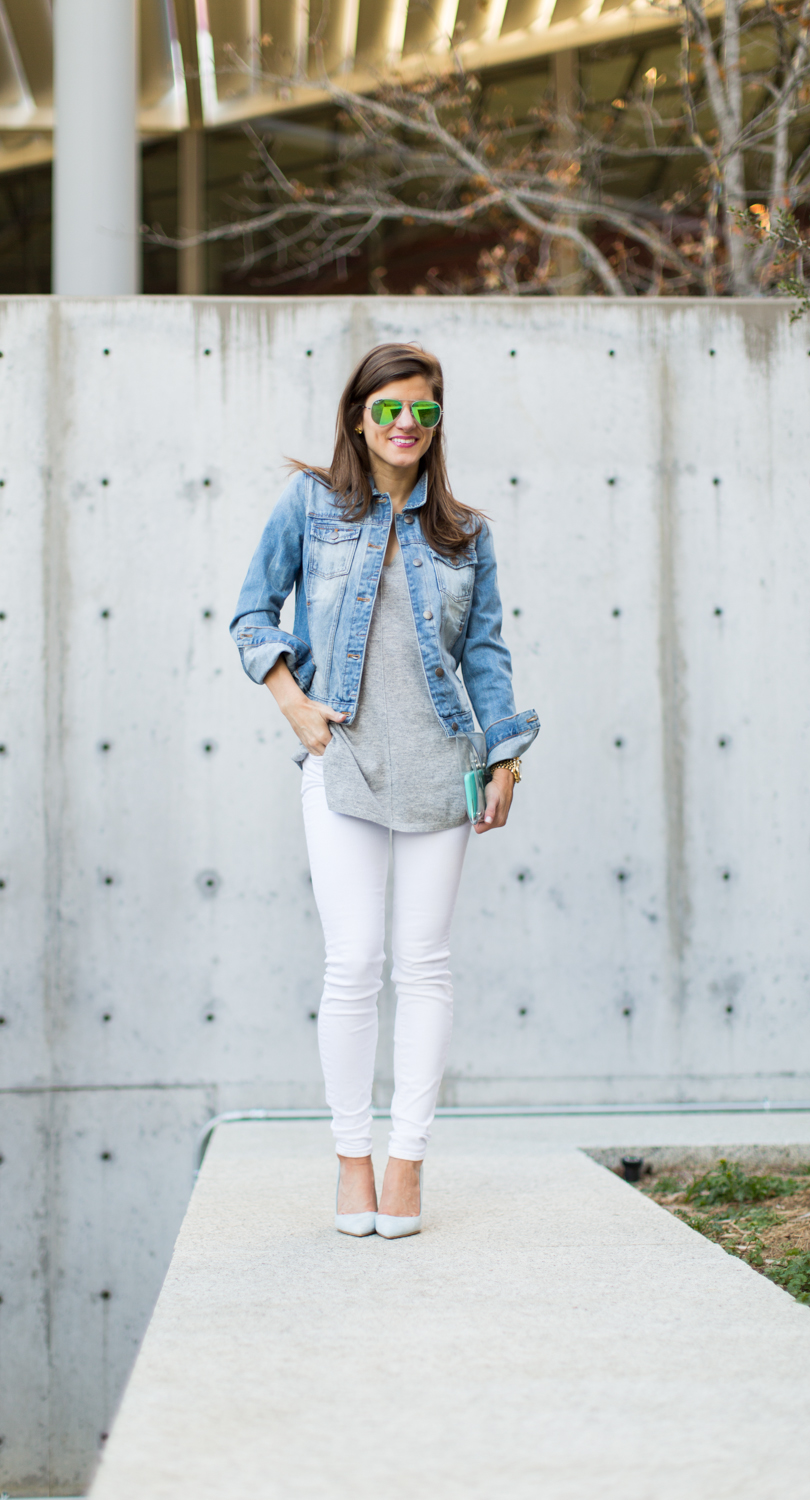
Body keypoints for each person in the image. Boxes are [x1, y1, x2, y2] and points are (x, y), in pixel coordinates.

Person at [231, 343, 539, 1238]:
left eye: (425, 412)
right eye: (391, 408)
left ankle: (406, 1167)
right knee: (354, 963)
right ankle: (350, 1161)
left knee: (425, 964)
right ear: (359, 415)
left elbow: (484, 654)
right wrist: (294, 704)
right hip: (346, 764)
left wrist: (508, 756)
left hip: (445, 767)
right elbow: (253, 612)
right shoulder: (311, 505)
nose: (407, 425)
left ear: (437, 424)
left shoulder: (464, 533)